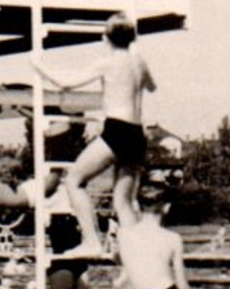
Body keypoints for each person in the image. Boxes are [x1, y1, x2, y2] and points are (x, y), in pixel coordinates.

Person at [32, 13, 156, 250]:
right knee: (123, 203)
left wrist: (39, 67)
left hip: (117, 130)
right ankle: (137, 251)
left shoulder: (107, 62)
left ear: (106, 38)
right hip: (136, 133)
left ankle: (92, 241)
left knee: (74, 181)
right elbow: (151, 86)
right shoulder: (139, 62)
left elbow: (66, 82)